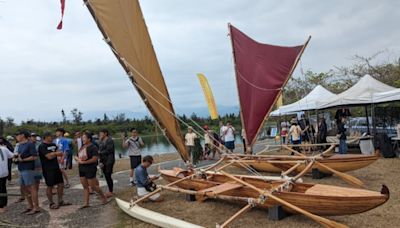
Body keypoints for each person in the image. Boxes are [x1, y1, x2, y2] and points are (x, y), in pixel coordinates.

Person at [74, 132, 108, 208]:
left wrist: (84, 162)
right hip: (81, 168)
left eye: (84, 138)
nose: (83, 139)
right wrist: (78, 160)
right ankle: (86, 203)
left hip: (90, 168)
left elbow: (95, 159)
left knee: (93, 186)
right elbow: (76, 156)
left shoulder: (93, 147)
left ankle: (104, 197)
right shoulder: (82, 147)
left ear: (89, 139)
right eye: (82, 138)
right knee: (85, 187)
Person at [38, 132, 70, 209]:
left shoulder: (53, 145)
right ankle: (51, 203)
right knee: (50, 186)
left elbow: (61, 153)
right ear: (46, 137)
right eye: (50, 136)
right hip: (48, 169)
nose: (52, 137)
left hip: (56, 167)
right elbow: (48, 157)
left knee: (61, 184)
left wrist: (54, 154)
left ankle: (60, 201)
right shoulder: (42, 146)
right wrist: (55, 153)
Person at [15, 130, 40, 215]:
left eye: (18, 135)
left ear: (23, 135)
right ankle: (30, 206)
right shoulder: (20, 145)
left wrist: (23, 159)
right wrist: (16, 158)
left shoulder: (30, 144)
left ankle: (36, 207)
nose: (16, 136)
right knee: (24, 188)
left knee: (32, 188)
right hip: (21, 168)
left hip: (28, 168)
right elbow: (19, 155)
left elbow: (34, 157)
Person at [98, 129, 115, 198]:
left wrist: (99, 153)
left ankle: (111, 191)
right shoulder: (101, 141)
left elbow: (109, 150)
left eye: (101, 133)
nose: (100, 135)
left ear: (105, 133)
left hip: (109, 160)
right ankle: (110, 190)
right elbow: (100, 150)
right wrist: (100, 161)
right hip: (103, 160)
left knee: (108, 175)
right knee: (106, 175)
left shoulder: (110, 140)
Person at [0, 139, 14, 213]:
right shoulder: (4, 148)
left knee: (1, 189)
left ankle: (1, 206)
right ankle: (4, 204)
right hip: (4, 172)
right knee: (3, 188)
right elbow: (12, 155)